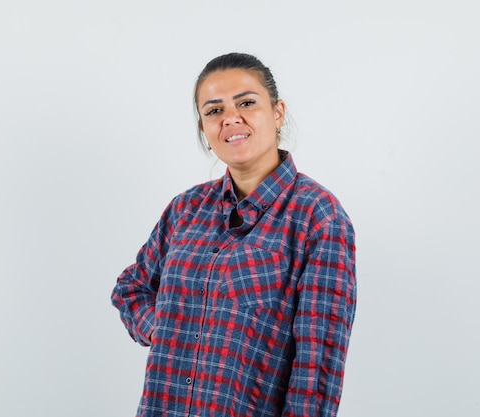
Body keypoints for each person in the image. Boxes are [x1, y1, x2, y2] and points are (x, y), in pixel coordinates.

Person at [111, 52, 357, 417]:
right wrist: (164, 327)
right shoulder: (186, 209)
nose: (230, 118)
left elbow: (317, 368)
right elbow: (131, 288)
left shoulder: (317, 216)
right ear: (204, 130)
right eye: (213, 110)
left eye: (246, 102)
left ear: (277, 112)